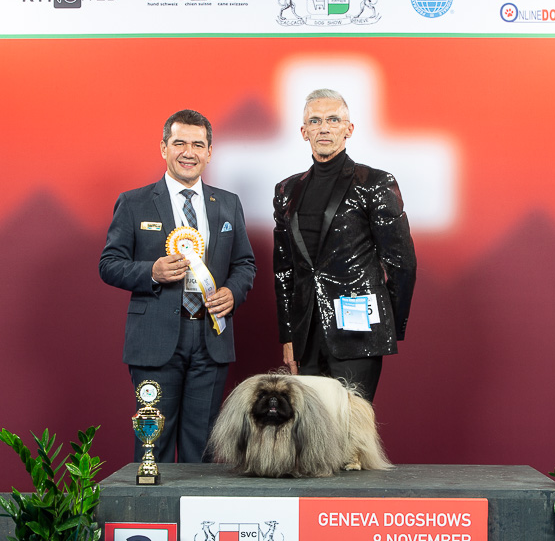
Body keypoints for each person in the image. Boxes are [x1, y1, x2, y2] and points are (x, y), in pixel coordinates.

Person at [100, 109, 256, 462]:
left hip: (211, 338)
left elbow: (245, 264)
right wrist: (152, 272)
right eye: (179, 143)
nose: (189, 152)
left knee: (202, 447)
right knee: (151, 443)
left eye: (198, 145)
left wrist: (233, 292)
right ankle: (149, 499)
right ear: (163, 148)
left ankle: (196, 502)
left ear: (209, 152)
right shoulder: (134, 202)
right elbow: (108, 265)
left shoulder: (227, 203)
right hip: (154, 341)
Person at [273, 89, 416, 403]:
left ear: (348, 129)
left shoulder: (374, 183)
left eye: (333, 120)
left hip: (359, 332)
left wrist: (384, 322)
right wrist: (289, 335)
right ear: (304, 132)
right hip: (306, 333)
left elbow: (401, 262)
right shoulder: (286, 190)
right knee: (311, 426)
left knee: (350, 424)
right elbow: (284, 271)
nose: (324, 128)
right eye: (315, 121)